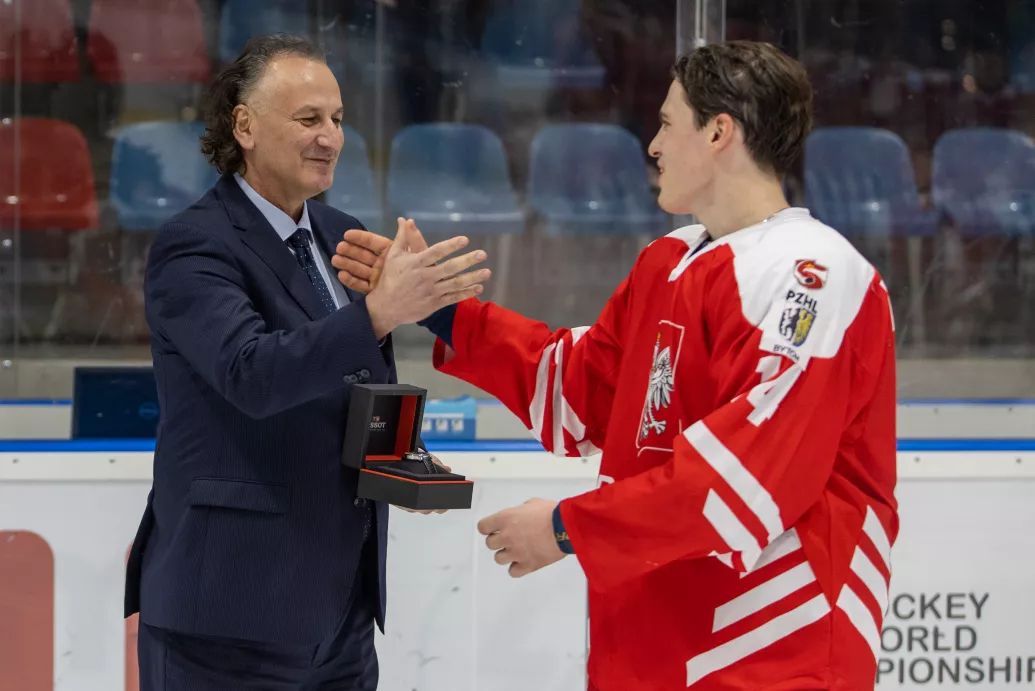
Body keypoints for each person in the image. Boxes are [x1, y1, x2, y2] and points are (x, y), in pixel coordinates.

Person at [334, 40, 898, 691]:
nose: (653, 146)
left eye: (666, 123)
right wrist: (437, 308)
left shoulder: (811, 275)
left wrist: (564, 527)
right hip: (648, 645)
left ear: (719, 132)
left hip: (773, 657)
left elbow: (748, 479)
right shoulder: (671, 260)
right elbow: (581, 390)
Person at [124, 34, 490, 691]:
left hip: (341, 612)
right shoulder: (194, 244)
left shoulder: (338, 232)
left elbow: (359, 377)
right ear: (245, 126)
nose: (331, 137)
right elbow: (250, 373)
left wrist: (399, 459)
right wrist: (378, 312)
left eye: (338, 119)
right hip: (227, 614)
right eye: (308, 118)